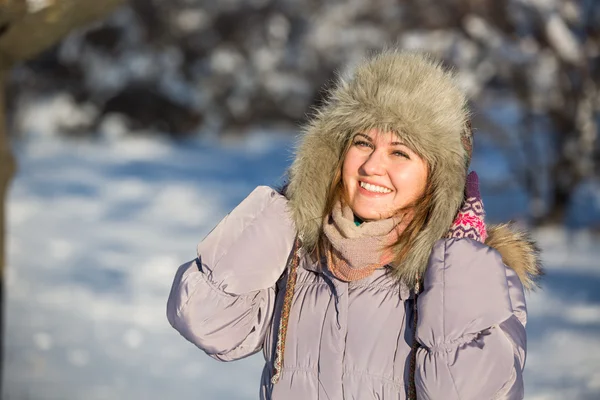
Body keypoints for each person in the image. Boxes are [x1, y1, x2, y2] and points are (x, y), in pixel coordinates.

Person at [166, 50, 542, 399]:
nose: (372, 166)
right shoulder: (299, 253)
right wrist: (290, 204)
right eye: (362, 143)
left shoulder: (472, 276)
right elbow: (207, 320)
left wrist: (459, 259)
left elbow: (467, 392)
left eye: (400, 152)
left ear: (438, 177)